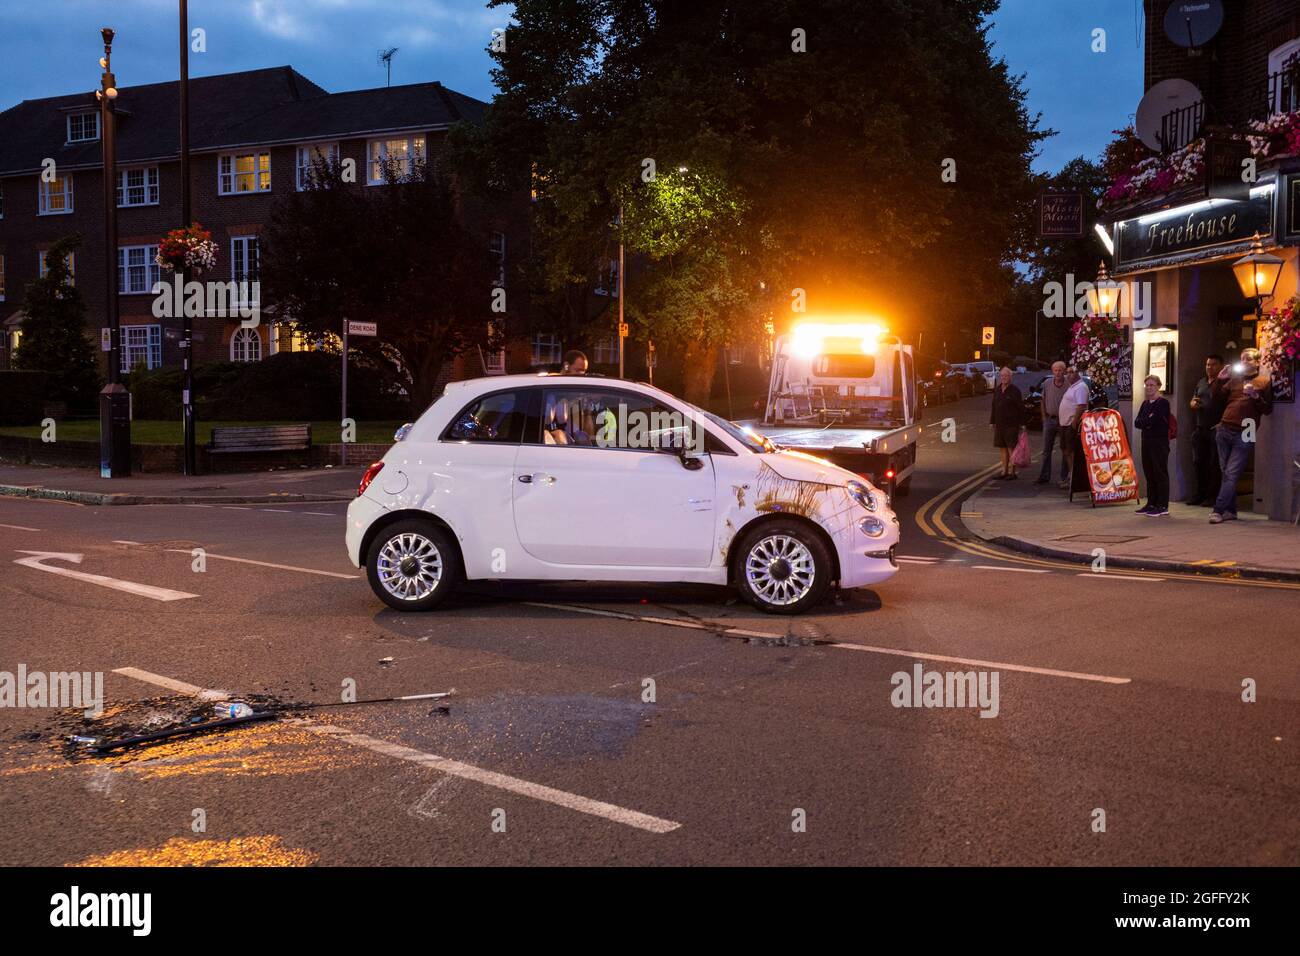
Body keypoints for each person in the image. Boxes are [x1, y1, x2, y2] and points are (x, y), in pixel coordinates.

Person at [1209, 347, 1273, 524]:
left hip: (1247, 429)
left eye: (1249, 359)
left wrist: (1255, 396)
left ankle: (1218, 510)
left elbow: (1268, 409)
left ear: (1257, 362)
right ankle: (1230, 511)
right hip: (1225, 427)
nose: (1244, 362)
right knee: (1225, 472)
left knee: (1231, 473)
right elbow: (1216, 400)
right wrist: (1219, 381)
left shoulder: (1264, 381)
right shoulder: (1234, 379)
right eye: (1242, 359)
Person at [1188, 354, 1226, 506]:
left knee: (1214, 464)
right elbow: (1194, 398)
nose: (1210, 367)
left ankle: (1212, 496)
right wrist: (1192, 403)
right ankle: (1200, 494)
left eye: (1213, 365)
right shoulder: (1202, 382)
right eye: (1208, 364)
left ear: (1221, 366)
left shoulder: (1224, 383)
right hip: (1200, 428)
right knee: (1198, 462)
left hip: (1216, 428)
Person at [1134, 375, 1171, 516]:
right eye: (1147, 385)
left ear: (1158, 386)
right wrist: (1146, 421)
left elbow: (1154, 420)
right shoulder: (1145, 404)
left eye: (1152, 385)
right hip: (1146, 441)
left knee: (1159, 472)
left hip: (1159, 442)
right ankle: (1151, 503)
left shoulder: (1162, 403)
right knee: (1149, 472)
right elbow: (1138, 422)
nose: (1149, 388)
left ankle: (1162, 505)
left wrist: (1147, 421)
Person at [1035, 361, 1069, 485]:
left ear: (1064, 371)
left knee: (1065, 450)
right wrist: (1044, 417)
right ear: (1052, 371)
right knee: (1046, 450)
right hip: (1050, 420)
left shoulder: (1068, 384)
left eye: (1060, 370)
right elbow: (1042, 400)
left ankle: (1064, 477)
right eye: (1055, 370)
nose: (1058, 372)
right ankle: (1044, 476)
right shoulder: (1047, 383)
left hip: (1064, 421)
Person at [1056, 366, 1090, 489]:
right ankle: (1071, 475)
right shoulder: (1073, 386)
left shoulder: (1081, 387)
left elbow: (1081, 406)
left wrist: (1074, 422)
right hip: (1064, 424)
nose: (1068, 375)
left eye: (1071, 372)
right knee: (1066, 450)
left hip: (1071, 424)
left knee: (1071, 451)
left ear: (1077, 373)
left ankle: (1075, 478)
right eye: (1067, 372)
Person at [989, 366, 1024, 480]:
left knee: (1011, 448)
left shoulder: (1015, 391)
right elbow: (994, 406)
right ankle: (1004, 471)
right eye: (1002, 376)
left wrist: (1022, 424)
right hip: (999, 424)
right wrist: (992, 421)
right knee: (1002, 447)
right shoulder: (998, 389)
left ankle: (1012, 472)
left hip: (1011, 424)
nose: (1004, 378)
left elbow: (1021, 408)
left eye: (1006, 376)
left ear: (1010, 377)